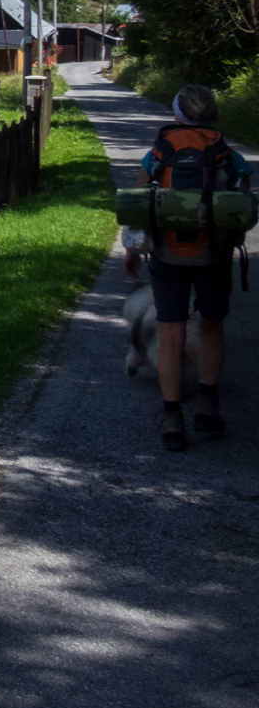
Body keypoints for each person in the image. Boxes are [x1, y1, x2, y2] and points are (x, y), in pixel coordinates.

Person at [129, 84, 249, 451]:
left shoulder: (158, 152)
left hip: (167, 254)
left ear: (177, 114)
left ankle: (171, 420)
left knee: (170, 334)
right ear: (212, 113)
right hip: (213, 255)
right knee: (212, 327)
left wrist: (133, 251)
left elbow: (138, 209)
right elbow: (242, 210)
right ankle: (209, 405)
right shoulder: (227, 154)